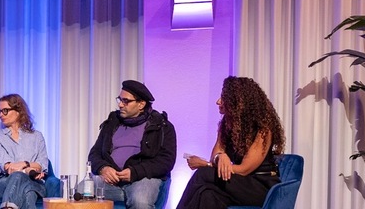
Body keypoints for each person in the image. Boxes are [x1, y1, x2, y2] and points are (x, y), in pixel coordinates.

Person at [176, 76, 285, 209]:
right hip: (237, 183)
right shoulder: (227, 124)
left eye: (223, 98)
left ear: (237, 102)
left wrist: (206, 164)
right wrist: (220, 157)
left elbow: (244, 170)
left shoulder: (263, 130)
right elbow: (215, 154)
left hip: (260, 186)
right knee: (207, 195)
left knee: (203, 173)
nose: (218, 101)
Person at [88, 80, 176, 209]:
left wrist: (135, 172)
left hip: (143, 179)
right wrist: (103, 168)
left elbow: (166, 161)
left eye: (126, 101)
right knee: (83, 189)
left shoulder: (161, 126)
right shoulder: (112, 122)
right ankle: (124, 194)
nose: (120, 105)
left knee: (140, 201)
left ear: (141, 104)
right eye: (120, 100)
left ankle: (130, 195)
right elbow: (94, 153)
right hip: (112, 180)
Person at [0, 94, 49, 209]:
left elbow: (42, 165)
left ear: (18, 111)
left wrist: (24, 164)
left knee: (28, 191)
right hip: (4, 183)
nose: (1, 114)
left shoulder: (37, 136)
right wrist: (28, 169)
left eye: (5, 110)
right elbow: (8, 167)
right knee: (20, 180)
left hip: (35, 183)